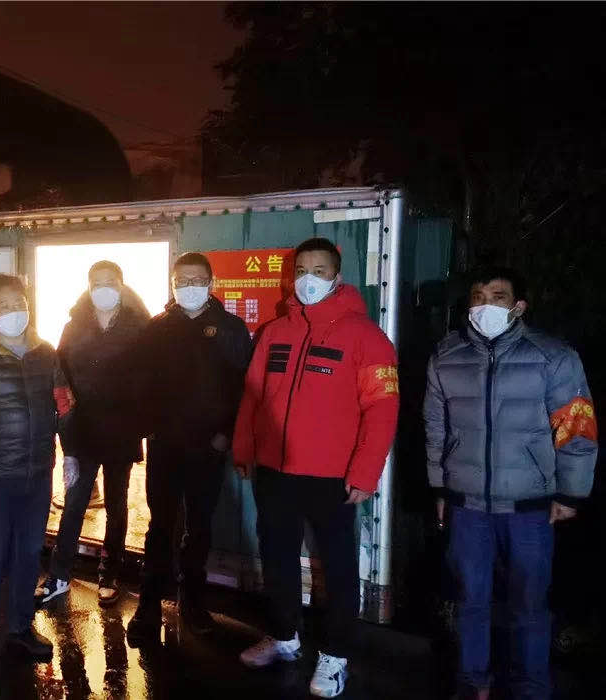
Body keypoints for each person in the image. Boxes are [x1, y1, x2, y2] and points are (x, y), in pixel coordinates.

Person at [233, 238, 399, 698]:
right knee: (278, 557)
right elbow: (252, 395)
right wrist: (244, 449)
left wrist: (365, 473)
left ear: (337, 277)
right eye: (301, 270)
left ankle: (335, 655)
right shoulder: (274, 332)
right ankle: (284, 636)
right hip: (274, 471)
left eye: (319, 271)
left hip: (333, 477)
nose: (308, 279)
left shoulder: (366, 337)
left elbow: (383, 409)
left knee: (338, 566)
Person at [424, 266, 598, 700]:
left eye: (497, 297)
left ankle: (531, 688)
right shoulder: (446, 356)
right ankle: (473, 683)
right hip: (467, 505)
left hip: (530, 507)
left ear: (519, 306)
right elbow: (435, 428)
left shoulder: (554, 357)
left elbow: (576, 428)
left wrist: (571, 493)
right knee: (471, 601)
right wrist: (440, 488)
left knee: (529, 606)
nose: (485, 306)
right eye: (478, 297)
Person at [0, 274, 77, 680]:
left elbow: (64, 405)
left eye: (18, 303)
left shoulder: (46, 353)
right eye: (4, 305)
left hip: (37, 474)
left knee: (28, 555)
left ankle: (20, 628)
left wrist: (70, 453)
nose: (13, 311)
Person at [126, 252, 252, 642]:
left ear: (211, 284)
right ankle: (149, 604)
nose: (189, 287)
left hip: (209, 446)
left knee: (199, 527)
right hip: (165, 445)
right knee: (160, 525)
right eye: (182, 280)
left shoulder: (231, 329)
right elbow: (140, 384)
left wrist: (225, 434)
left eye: (197, 280)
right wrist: (148, 428)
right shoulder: (157, 327)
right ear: (173, 284)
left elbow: (243, 388)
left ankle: (193, 604)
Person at [35, 260, 150, 607]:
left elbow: (152, 376)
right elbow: (60, 373)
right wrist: (64, 421)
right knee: (74, 504)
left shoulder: (139, 325)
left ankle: (109, 574)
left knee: (117, 504)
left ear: (121, 284)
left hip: (121, 431)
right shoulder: (75, 325)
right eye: (96, 282)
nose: (103, 288)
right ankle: (59, 575)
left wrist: (142, 417)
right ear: (88, 287)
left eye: (110, 281)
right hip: (83, 431)